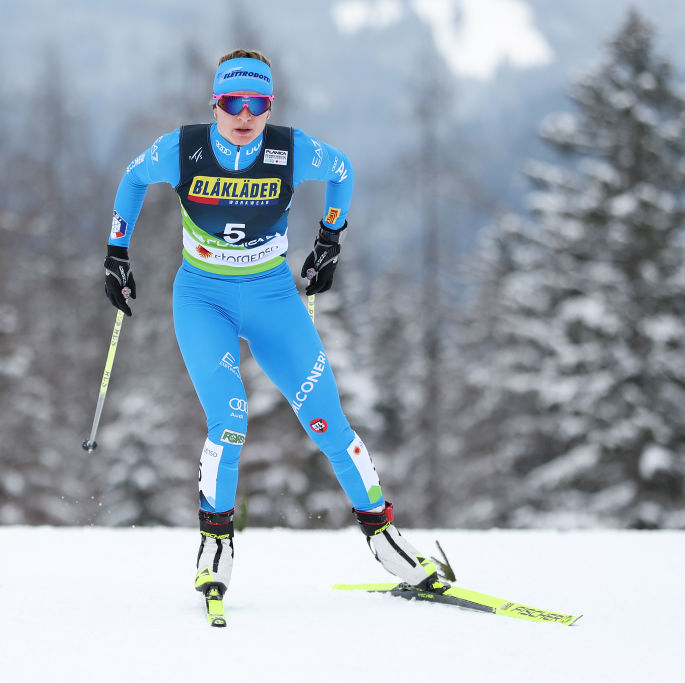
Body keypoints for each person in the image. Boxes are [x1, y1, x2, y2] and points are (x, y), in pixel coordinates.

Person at [102, 49, 439, 601]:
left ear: (269, 105)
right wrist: (117, 251)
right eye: (232, 101)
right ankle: (216, 544)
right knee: (229, 420)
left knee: (327, 420)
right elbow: (132, 180)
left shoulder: (290, 149)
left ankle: (383, 536)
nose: (244, 113)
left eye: (256, 103)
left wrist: (330, 239)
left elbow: (342, 171)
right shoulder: (183, 149)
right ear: (215, 102)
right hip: (202, 298)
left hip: (272, 296)